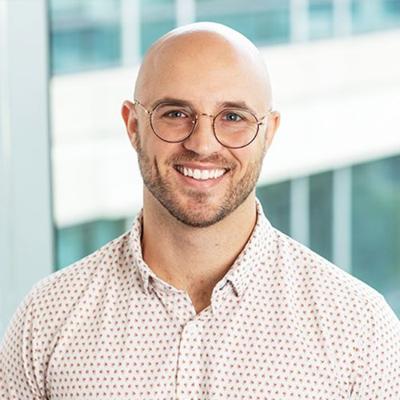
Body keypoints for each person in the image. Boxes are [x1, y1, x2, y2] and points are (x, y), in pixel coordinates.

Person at [1, 22, 399, 400]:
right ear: (133, 125)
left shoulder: (359, 332)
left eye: (233, 117)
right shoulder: (47, 319)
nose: (203, 144)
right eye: (175, 113)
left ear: (268, 133)